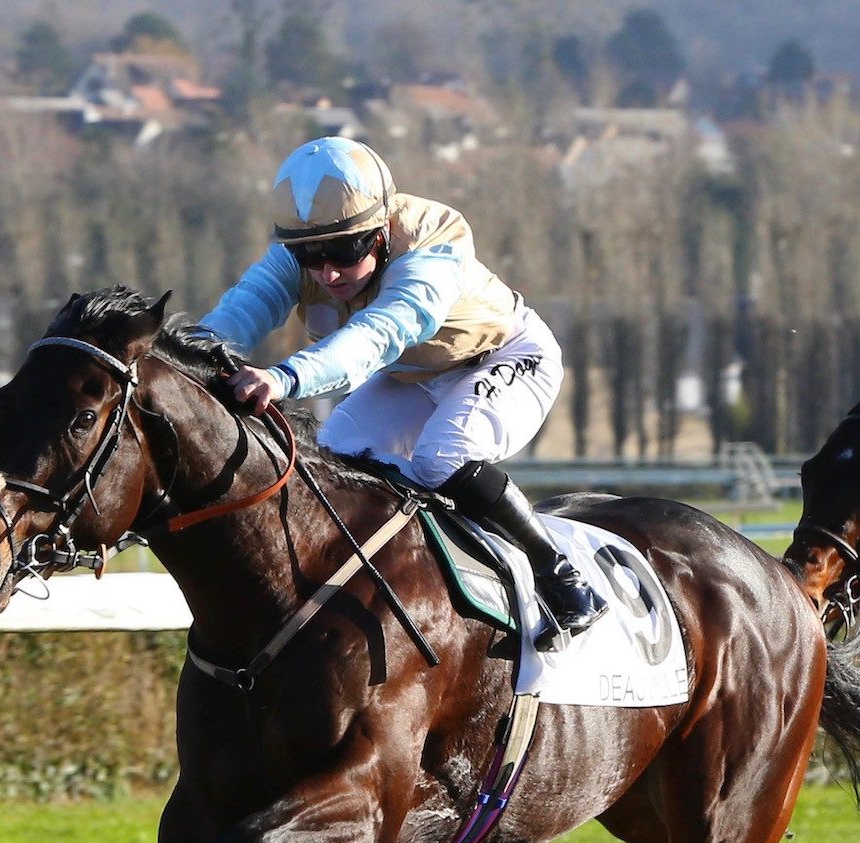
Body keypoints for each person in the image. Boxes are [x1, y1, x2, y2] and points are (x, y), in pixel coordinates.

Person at [194, 136, 606, 647]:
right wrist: (186, 357)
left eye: (344, 251)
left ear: (382, 228)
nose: (328, 272)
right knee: (335, 457)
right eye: (310, 256)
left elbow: (376, 337)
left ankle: (560, 575)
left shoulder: (433, 244)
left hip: (505, 356)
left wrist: (283, 377)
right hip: (415, 376)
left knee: (442, 456)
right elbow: (240, 312)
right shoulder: (298, 259)